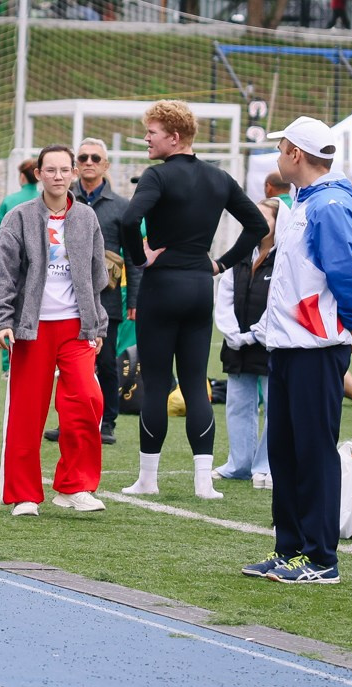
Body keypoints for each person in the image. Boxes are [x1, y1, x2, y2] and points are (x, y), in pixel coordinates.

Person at [243, 117, 352, 584]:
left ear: (296, 153)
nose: (278, 155)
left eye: (281, 148)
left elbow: (346, 268)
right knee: (286, 451)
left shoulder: (330, 205)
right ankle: (290, 548)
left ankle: (320, 558)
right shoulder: (306, 200)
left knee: (313, 452)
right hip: (291, 344)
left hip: (315, 346)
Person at [120, 100, 269, 499]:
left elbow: (129, 220)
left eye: (152, 132)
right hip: (201, 286)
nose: (146, 138)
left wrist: (139, 257)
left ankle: (147, 479)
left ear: (175, 136)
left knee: (154, 384)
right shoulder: (219, 177)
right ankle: (204, 483)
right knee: (194, 382)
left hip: (162, 285)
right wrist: (220, 264)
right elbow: (257, 225)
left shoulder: (157, 176)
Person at [0, 144, 109, 515]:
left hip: (76, 328)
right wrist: (0, 321)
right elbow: (1, 274)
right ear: (38, 174)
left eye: (63, 169)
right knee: (27, 411)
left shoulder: (86, 218)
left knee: (87, 401)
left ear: (73, 174)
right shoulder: (19, 218)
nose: (57, 175)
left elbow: (96, 275)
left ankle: (74, 486)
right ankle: (23, 494)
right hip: (30, 329)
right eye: (49, 169)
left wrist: (95, 322)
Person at [212, 195, 277, 489]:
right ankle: (239, 464)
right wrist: (233, 334)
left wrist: (256, 334)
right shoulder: (240, 254)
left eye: (265, 217)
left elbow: (281, 302)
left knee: (274, 406)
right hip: (237, 345)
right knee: (238, 404)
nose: (258, 222)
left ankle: (265, 465)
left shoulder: (284, 258)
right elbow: (223, 296)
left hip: (271, 343)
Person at [73, 141, 135, 442]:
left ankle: (107, 422)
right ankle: (71, 421)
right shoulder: (62, 199)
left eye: (95, 158)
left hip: (106, 299)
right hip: (65, 297)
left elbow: (133, 257)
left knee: (107, 362)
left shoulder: (121, 206)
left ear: (105, 165)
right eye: (83, 157)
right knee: (70, 364)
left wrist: (134, 299)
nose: (89, 162)